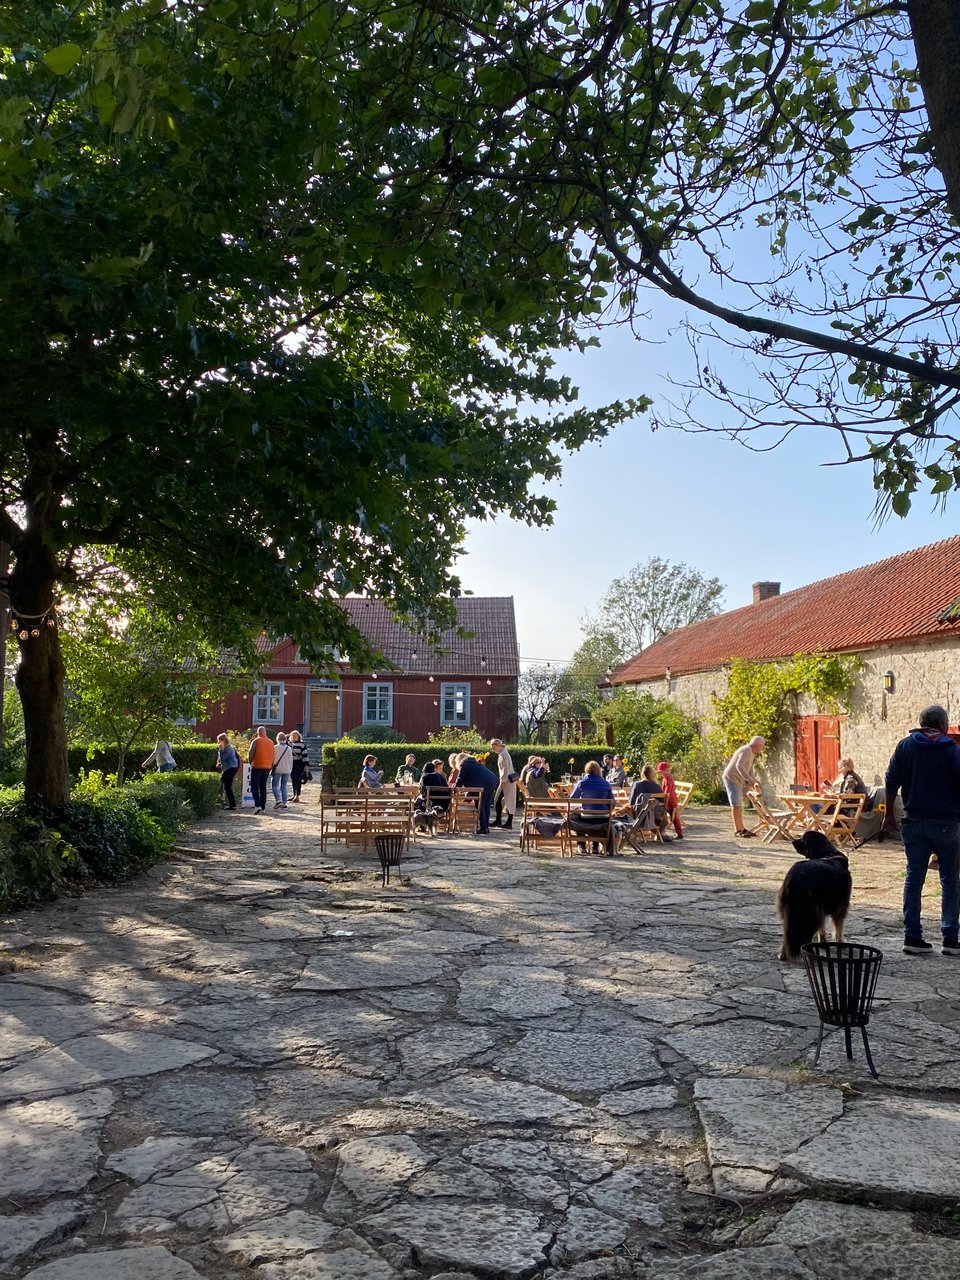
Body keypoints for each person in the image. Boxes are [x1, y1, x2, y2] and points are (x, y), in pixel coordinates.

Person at [883, 704, 960, 956]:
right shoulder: (952, 751)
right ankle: (950, 938)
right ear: (941, 725)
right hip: (946, 823)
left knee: (914, 877)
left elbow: (891, 780)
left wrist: (888, 817)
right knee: (949, 879)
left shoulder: (905, 746)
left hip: (913, 821)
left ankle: (912, 936)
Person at [722, 736, 765, 837]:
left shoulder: (751, 753)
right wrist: (749, 780)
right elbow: (739, 766)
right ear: (758, 744)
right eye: (762, 746)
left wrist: (753, 781)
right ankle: (738, 830)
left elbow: (749, 769)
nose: (762, 748)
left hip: (737, 779)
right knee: (736, 804)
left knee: (738, 804)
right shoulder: (746, 750)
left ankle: (742, 828)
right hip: (732, 778)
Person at [570, 760, 616, 855]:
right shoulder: (606, 783)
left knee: (574, 816)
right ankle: (595, 846)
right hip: (603, 818)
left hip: (587, 817)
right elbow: (613, 802)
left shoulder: (582, 783)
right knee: (596, 815)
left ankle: (581, 845)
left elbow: (572, 799)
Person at [455, 752, 498, 834]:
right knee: (486, 805)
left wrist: (455, 788)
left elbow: (460, 779)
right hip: (493, 780)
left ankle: (484, 827)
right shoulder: (475, 763)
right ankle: (486, 827)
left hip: (483, 784)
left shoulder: (465, 764)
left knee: (480, 805)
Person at [630, 764, 670, 840]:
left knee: (628, 810)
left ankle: (632, 833)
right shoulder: (656, 786)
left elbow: (631, 802)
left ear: (642, 773)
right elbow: (662, 801)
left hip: (639, 814)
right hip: (655, 815)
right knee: (660, 811)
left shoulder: (637, 785)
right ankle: (661, 833)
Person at [490, 738, 518, 830]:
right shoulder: (504, 753)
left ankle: (501, 821)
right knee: (509, 800)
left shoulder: (503, 755)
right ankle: (506, 821)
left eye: (494, 747)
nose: (493, 749)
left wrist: (502, 781)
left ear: (499, 746)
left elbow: (505, 770)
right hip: (508, 780)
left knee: (499, 800)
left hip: (506, 781)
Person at [248, 726, 274, 815]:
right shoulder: (271, 742)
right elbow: (273, 755)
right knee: (263, 787)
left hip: (257, 766)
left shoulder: (256, 741)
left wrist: (250, 762)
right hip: (267, 767)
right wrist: (271, 765)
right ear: (265, 733)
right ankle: (263, 807)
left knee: (254, 786)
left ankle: (257, 805)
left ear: (258, 733)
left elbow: (251, 753)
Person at [656, 761, 684, 839]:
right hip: (672, 800)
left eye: (660, 772)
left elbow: (667, 791)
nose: (660, 774)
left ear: (665, 771)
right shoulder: (667, 777)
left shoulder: (667, 778)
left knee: (672, 816)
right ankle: (679, 833)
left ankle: (662, 832)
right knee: (674, 817)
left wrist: (664, 799)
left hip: (670, 801)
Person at [216, 733, 240, 810]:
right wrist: (219, 762)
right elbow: (220, 759)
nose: (219, 742)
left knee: (225, 785)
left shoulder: (229, 748)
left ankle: (231, 804)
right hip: (228, 768)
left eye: (220, 741)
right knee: (226, 785)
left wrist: (221, 750)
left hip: (231, 768)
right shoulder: (225, 748)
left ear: (224, 740)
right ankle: (230, 803)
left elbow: (224, 758)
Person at [271, 731, 293, 809]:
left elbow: (272, 759)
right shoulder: (289, 748)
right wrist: (290, 769)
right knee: (283, 786)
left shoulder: (275, 748)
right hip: (287, 769)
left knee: (274, 785)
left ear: (278, 739)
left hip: (278, 769)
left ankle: (278, 801)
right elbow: (291, 760)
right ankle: (284, 802)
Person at [288, 730, 310, 802]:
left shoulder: (302, 745)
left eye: (295, 736)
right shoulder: (289, 745)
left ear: (298, 737)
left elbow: (305, 755)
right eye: (292, 736)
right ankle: (294, 794)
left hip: (299, 764)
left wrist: (306, 765)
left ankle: (297, 796)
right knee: (293, 779)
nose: (293, 737)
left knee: (298, 780)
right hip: (291, 763)